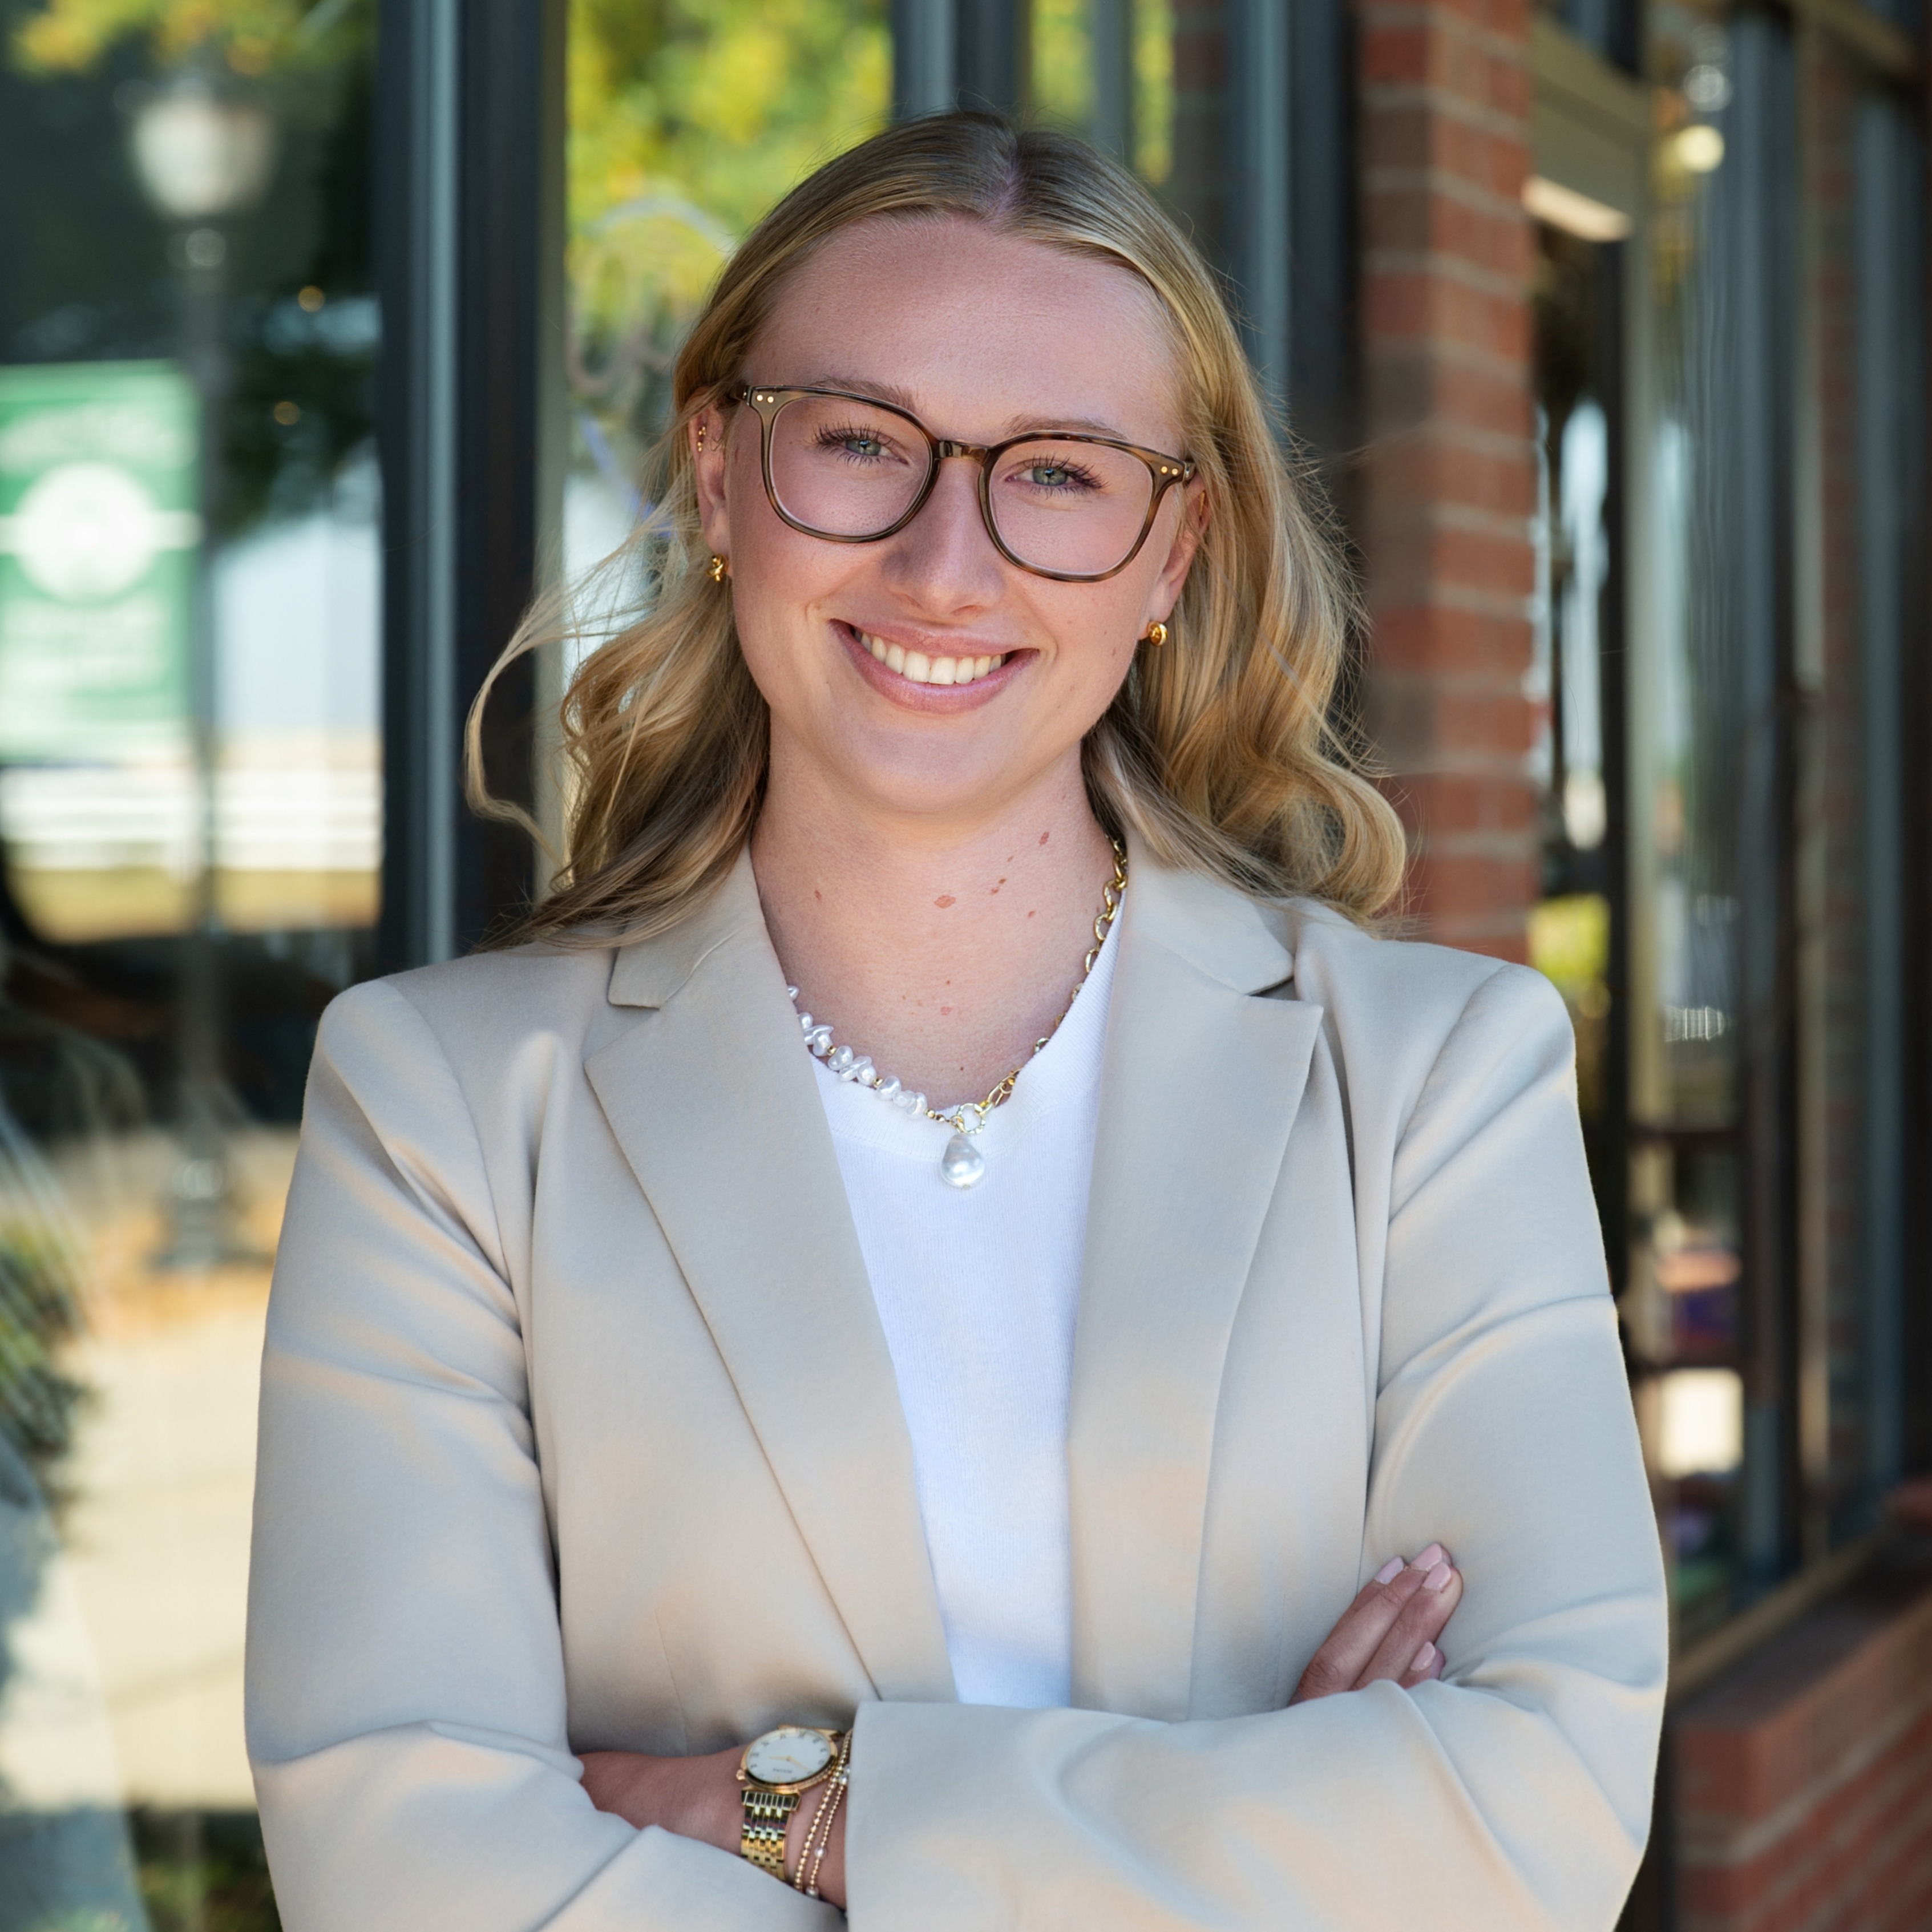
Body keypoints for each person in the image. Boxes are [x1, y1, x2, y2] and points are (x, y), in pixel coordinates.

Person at [244, 114, 1667, 1929]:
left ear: (1173, 551)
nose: (943, 564)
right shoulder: (441, 1107)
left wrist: (795, 1807)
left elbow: (1537, 1810)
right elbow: (404, 1863)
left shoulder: (1431, 1084)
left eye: (1057, 473)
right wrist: (1271, 1825)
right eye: (859, 441)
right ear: (719, 477)